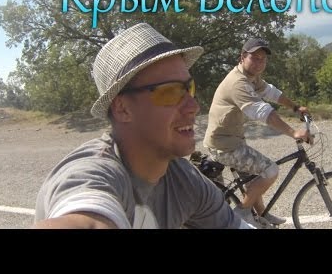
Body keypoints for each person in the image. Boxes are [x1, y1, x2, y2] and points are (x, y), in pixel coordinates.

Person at [33, 23, 253, 229]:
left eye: (189, 88)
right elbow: (86, 214)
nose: (193, 106)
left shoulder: (184, 180)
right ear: (122, 109)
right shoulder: (93, 173)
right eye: (170, 92)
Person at [203, 37, 312, 228]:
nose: (259, 63)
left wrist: (295, 107)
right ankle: (242, 215)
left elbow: (271, 92)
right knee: (270, 170)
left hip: (232, 140)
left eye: (263, 59)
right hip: (223, 146)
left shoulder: (251, 77)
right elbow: (261, 111)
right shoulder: (238, 83)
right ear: (243, 57)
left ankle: (262, 215)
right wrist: (293, 132)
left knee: (253, 177)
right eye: (254, 58)